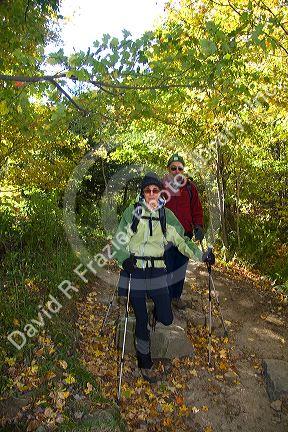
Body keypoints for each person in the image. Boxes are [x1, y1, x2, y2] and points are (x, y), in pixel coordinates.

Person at [112, 172, 214, 383]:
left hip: (158, 269)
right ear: (142, 193)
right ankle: (145, 363)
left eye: (155, 190)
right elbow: (118, 242)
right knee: (140, 318)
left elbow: (183, 241)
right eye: (147, 190)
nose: (151, 194)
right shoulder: (133, 213)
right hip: (136, 269)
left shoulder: (165, 215)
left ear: (160, 193)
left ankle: (155, 313)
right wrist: (124, 260)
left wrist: (202, 256)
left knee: (166, 318)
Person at [163, 153, 204, 310]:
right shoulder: (161, 186)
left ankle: (175, 297)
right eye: (173, 168)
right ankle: (164, 298)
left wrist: (199, 226)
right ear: (168, 169)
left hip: (185, 234)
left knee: (180, 267)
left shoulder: (189, 187)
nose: (177, 171)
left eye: (180, 168)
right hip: (165, 234)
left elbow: (196, 209)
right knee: (166, 266)